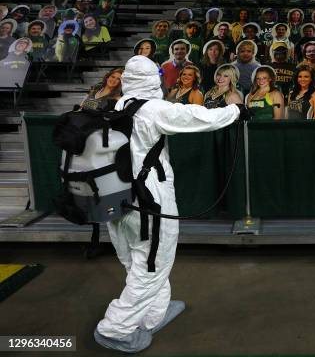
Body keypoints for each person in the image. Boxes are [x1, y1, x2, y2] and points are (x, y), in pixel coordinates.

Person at [94, 55, 249, 354]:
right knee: (153, 262)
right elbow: (197, 117)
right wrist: (236, 111)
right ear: (153, 79)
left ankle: (154, 311)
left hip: (117, 194)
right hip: (148, 195)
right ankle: (115, 328)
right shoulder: (154, 109)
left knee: (140, 258)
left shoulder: (117, 106)